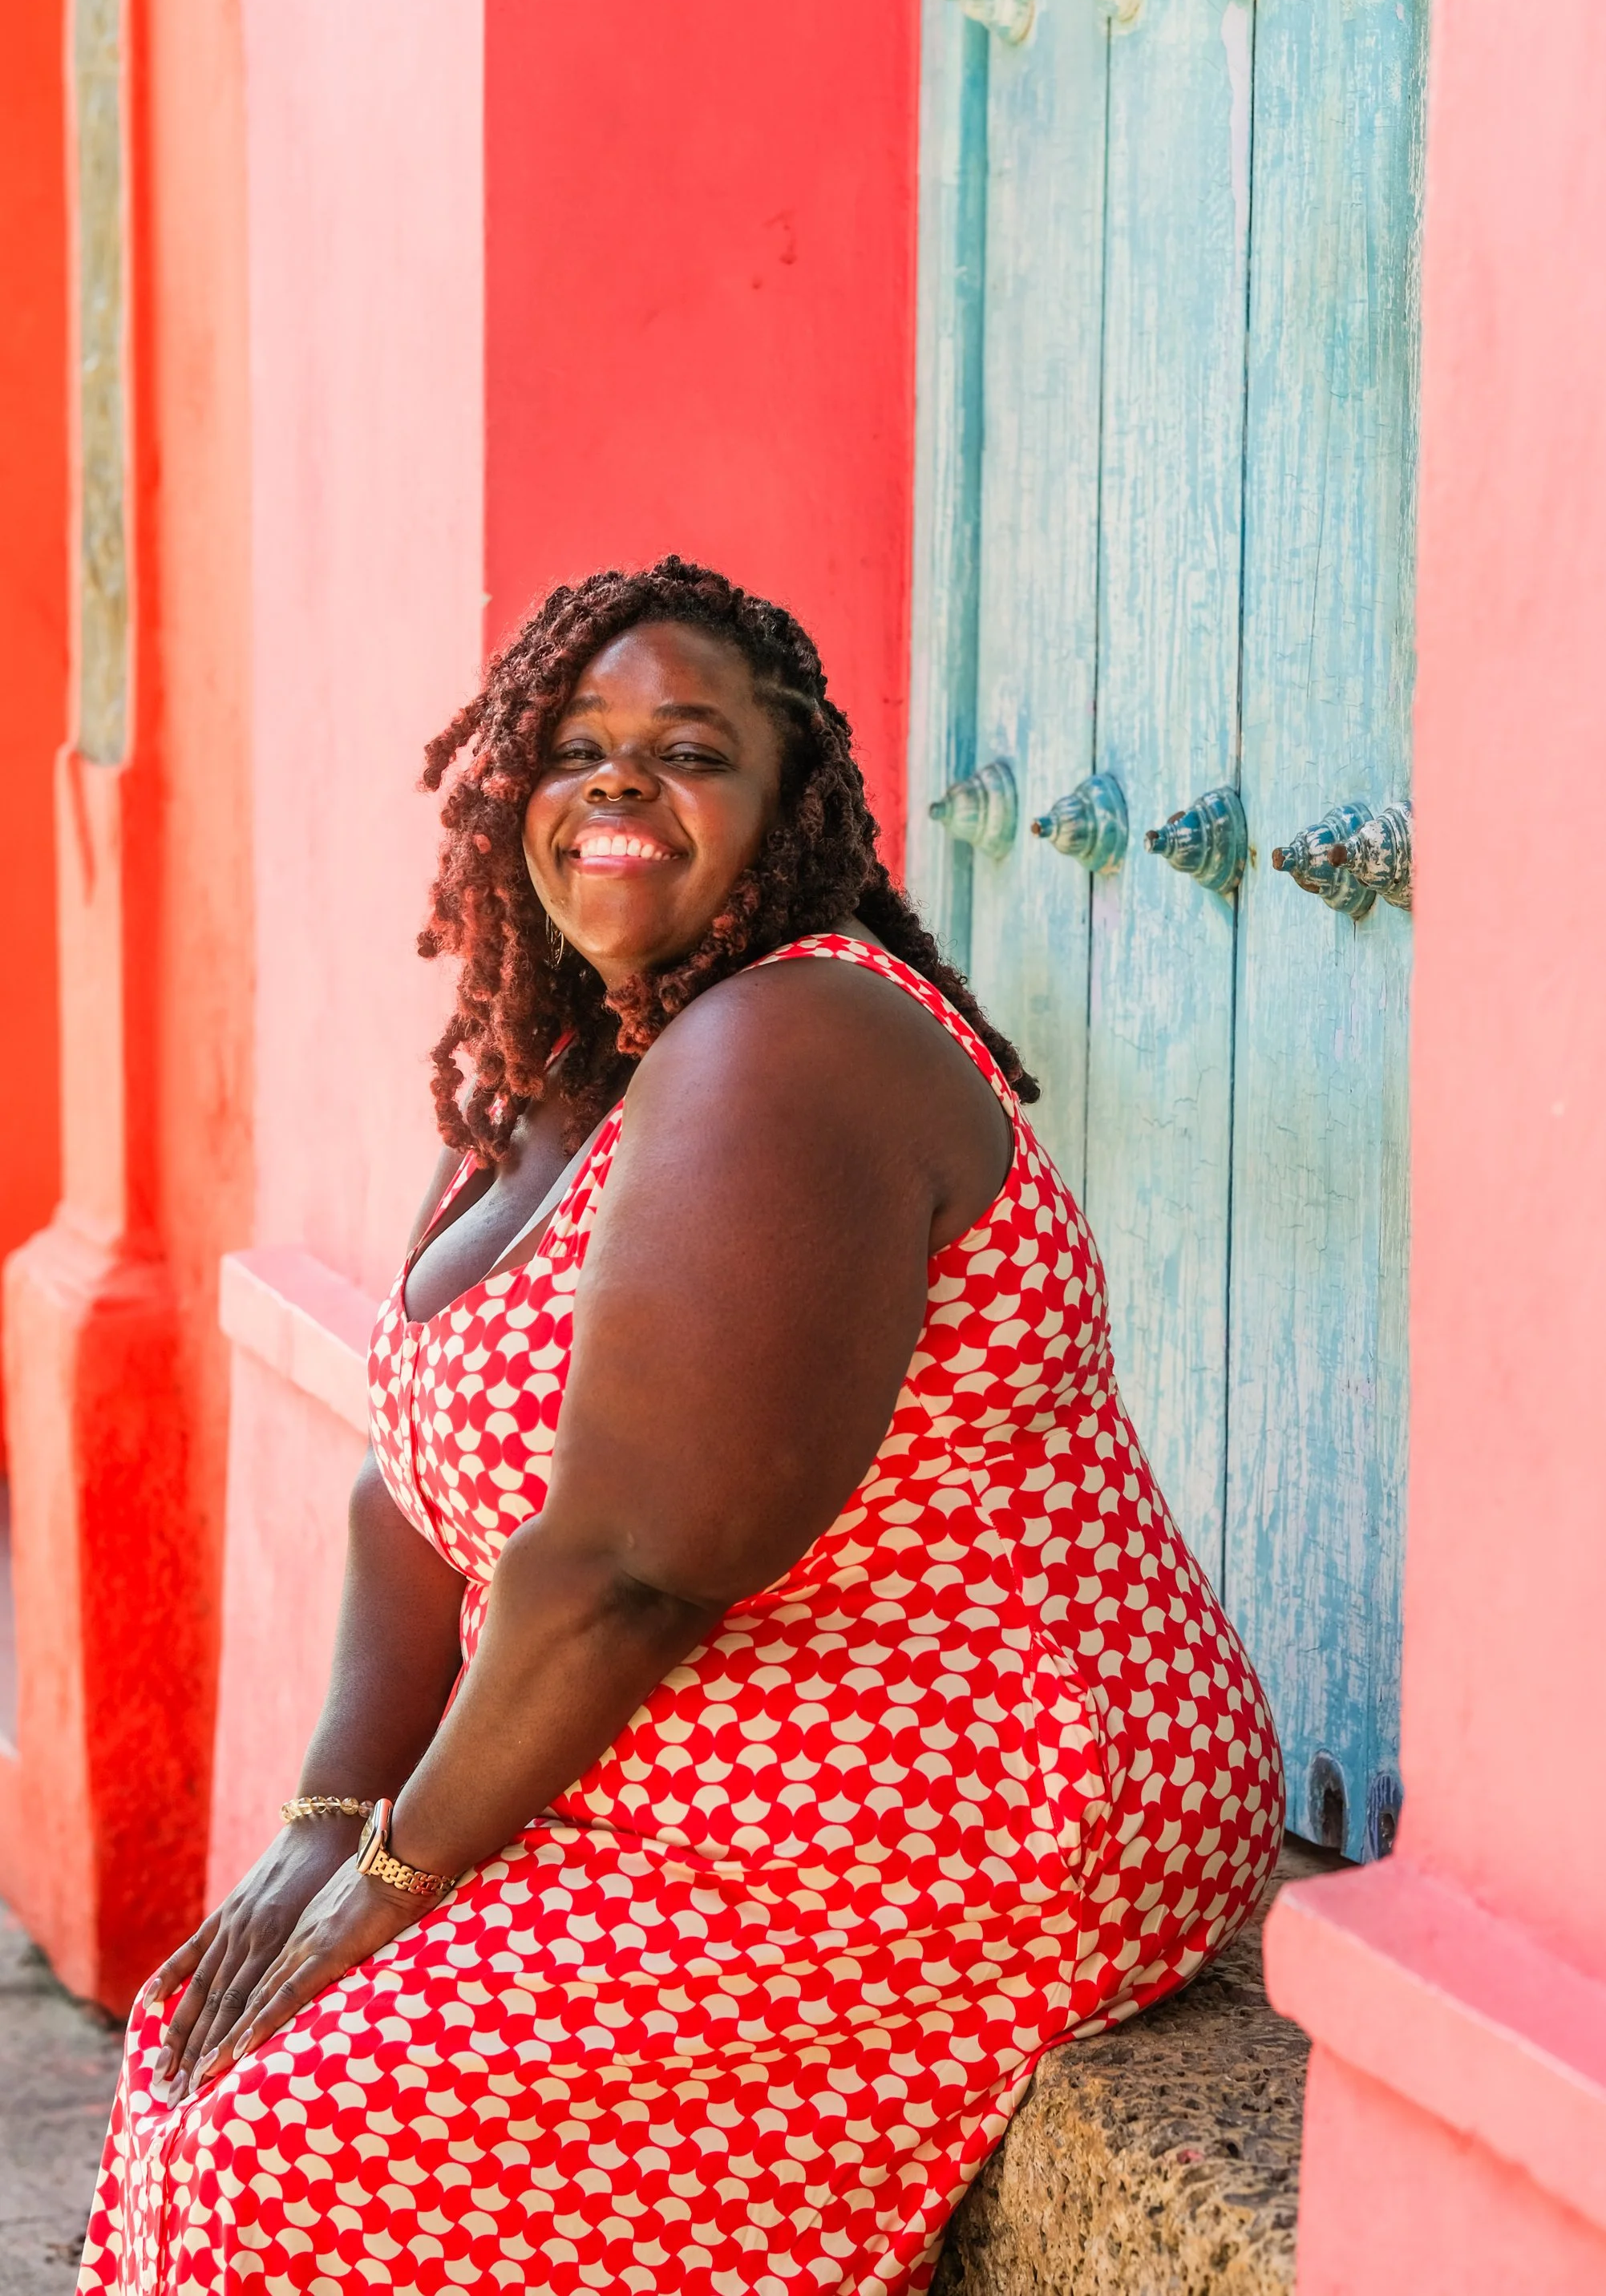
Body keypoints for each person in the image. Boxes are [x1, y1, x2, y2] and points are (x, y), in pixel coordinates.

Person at [79, 558, 1282, 2296]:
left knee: (297, 2144)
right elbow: (406, 1485)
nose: (620, 782)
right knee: (203, 2037)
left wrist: (402, 1872)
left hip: (955, 1792)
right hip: (684, 1751)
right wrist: (326, 1815)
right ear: (507, 789)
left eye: (690, 749)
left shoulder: (789, 1042)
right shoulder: (549, 1068)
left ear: (791, 804)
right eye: (575, 742)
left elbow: (630, 1568)